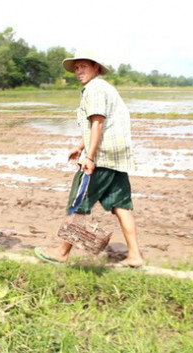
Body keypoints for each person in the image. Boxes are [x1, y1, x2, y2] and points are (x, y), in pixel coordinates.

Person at [34, 50, 144, 268]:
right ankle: (135, 256)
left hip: (102, 157)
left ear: (95, 67)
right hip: (117, 157)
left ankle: (61, 252)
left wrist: (89, 156)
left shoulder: (94, 89)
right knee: (122, 206)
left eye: (83, 66)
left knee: (79, 203)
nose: (78, 72)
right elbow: (102, 124)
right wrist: (80, 146)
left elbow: (98, 123)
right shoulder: (105, 88)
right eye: (76, 68)